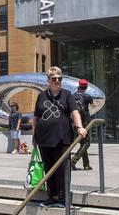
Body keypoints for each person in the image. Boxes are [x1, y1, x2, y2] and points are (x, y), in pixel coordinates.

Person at [32, 67, 86, 209]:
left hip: (62, 138)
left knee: (63, 168)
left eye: (59, 78)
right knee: (49, 168)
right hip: (44, 139)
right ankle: (53, 196)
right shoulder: (41, 96)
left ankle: (63, 198)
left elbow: (75, 112)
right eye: (54, 79)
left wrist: (80, 127)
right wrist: (33, 136)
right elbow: (36, 117)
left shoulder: (67, 95)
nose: (57, 81)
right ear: (48, 81)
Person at [71, 78, 94, 170]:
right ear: (86, 87)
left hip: (76, 121)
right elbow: (93, 105)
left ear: (79, 86)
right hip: (85, 121)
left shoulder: (73, 95)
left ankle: (86, 165)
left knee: (83, 143)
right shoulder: (88, 96)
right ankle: (73, 160)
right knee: (87, 143)